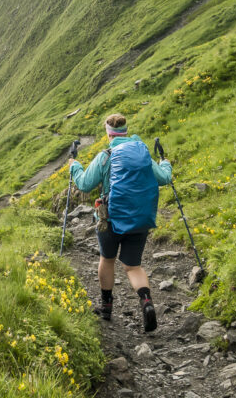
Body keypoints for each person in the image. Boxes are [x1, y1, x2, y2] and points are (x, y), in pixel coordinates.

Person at [69, 113, 173, 332]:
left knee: (107, 260)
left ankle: (106, 308)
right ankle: (146, 303)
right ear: (126, 131)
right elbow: (164, 178)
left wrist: (74, 166)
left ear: (108, 134)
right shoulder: (142, 152)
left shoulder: (105, 156)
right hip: (140, 219)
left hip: (111, 220)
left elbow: (85, 184)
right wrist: (166, 164)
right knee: (133, 266)